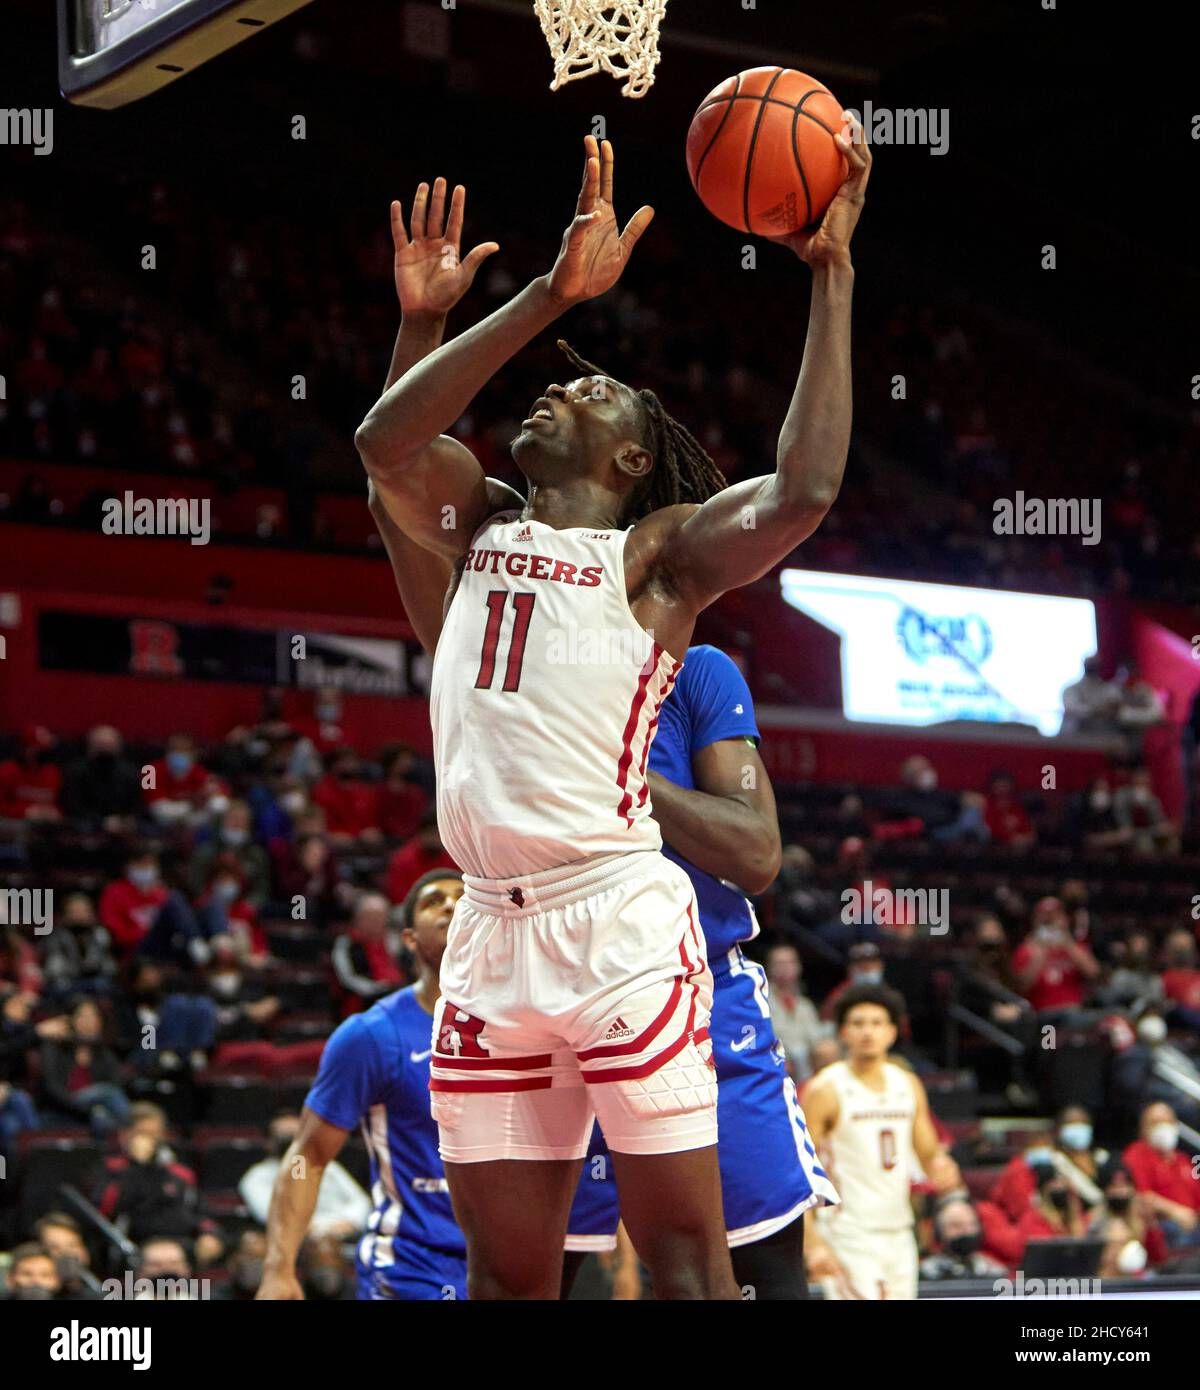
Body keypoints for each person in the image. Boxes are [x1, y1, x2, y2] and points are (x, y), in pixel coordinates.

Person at [355, 131, 868, 1301]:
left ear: (634, 455)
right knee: (508, 1279)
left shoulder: (656, 560)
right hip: (490, 931)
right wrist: (528, 299)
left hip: (616, 921)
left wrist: (829, 276)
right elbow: (384, 444)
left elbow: (806, 490)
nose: (551, 385)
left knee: (688, 1265)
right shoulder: (472, 529)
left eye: (584, 388)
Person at [257, 870, 468, 1300]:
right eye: (434, 902)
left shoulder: (530, 1027)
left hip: (515, 1263)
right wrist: (279, 1269)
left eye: (462, 897)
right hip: (411, 1267)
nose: (450, 905)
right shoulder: (372, 1035)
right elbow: (308, 1156)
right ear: (408, 940)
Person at [802, 984, 964, 1300]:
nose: (868, 1032)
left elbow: (929, 1153)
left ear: (892, 1032)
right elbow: (799, 1168)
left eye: (877, 1024)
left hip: (899, 1228)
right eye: (858, 1023)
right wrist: (812, 1243)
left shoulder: (907, 1084)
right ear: (842, 1032)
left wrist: (944, 1167)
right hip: (847, 1232)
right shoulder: (826, 1089)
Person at [239, 1112, 370, 1238]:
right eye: (284, 1136)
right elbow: (273, 1215)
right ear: (269, 1143)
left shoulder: (327, 1166)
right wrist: (317, 1230)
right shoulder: (257, 1176)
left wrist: (351, 1222)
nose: (290, 1142)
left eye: (295, 1134)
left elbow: (360, 1201)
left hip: (339, 1230)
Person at [1121, 1101, 1200, 1248]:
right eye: (1156, 1122)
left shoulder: (1184, 1159)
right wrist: (1177, 1212)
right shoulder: (1136, 1155)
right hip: (1164, 1225)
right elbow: (1141, 1196)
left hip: (1193, 1224)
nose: (1163, 1127)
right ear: (1144, 1128)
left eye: (1167, 1121)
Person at [1011, 896, 1099, 1017]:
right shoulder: (1025, 950)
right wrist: (1040, 950)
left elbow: (1094, 973)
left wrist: (1068, 944)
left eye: (1056, 917)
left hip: (1075, 1011)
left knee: (1114, 1018)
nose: (1051, 923)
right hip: (1044, 1015)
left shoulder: (1075, 947)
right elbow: (1021, 986)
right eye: (1046, 919)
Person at [765, 940, 828, 1079]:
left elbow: (817, 1041)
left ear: (798, 967)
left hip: (807, 1065)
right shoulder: (760, 1001)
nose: (785, 968)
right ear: (769, 968)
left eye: (790, 962)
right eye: (779, 963)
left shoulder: (805, 1005)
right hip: (776, 1061)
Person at [918, 1196, 1007, 1281]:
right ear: (939, 1232)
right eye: (956, 1226)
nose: (966, 1231)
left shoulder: (994, 1272)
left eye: (972, 1224)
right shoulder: (925, 1273)